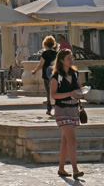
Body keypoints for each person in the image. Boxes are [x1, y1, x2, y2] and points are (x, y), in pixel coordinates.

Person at [49, 48, 83, 180]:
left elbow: (79, 88)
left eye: (72, 58)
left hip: (73, 109)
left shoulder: (75, 74)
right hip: (62, 109)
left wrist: (81, 92)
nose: (71, 60)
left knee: (65, 140)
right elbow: (53, 95)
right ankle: (75, 169)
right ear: (62, 60)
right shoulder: (56, 76)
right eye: (69, 58)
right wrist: (70, 94)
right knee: (72, 139)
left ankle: (61, 168)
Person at [31, 35, 57, 115]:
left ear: (45, 44)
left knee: (49, 91)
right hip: (55, 74)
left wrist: (34, 71)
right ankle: (57, 107)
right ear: (53, 44)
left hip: (46, 75)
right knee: (56, 90)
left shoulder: (44, 54)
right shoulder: (56, 54)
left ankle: (49, 109)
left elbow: (41, 65)